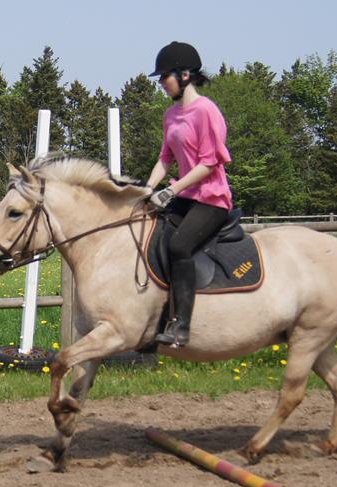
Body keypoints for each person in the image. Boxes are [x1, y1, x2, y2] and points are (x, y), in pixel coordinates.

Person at [145, 41, 233, 348]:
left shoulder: (206, 111)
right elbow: (164, 159)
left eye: (163, 76)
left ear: (184, 75)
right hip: (184, 195)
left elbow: (210, 163)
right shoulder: (170, 114)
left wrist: (171, 190)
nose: (160, 82)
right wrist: (147, 189)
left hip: (211, 198)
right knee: (153, 235)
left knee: (180, 245)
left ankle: (181, 325)